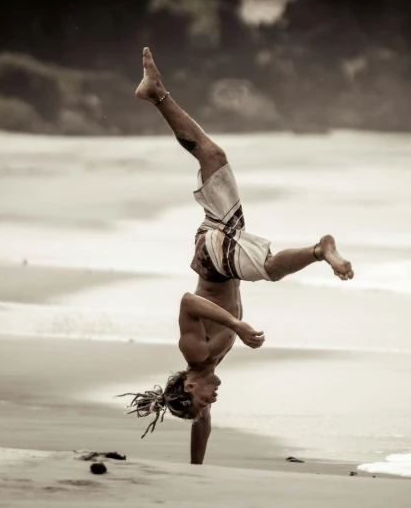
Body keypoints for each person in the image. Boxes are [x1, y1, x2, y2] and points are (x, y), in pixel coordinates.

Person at [119, 48, 354, 464]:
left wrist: (238, 325)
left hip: (215, 257)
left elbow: (188, 302)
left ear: (189, 387)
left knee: (267, 268)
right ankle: (155, 95)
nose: (213, 399)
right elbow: (202, 424)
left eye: (204, 400)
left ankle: (320, 249)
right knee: (213, 157)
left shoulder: (195, 353)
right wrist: (196, 470)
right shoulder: (209, 364)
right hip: (222, 252)